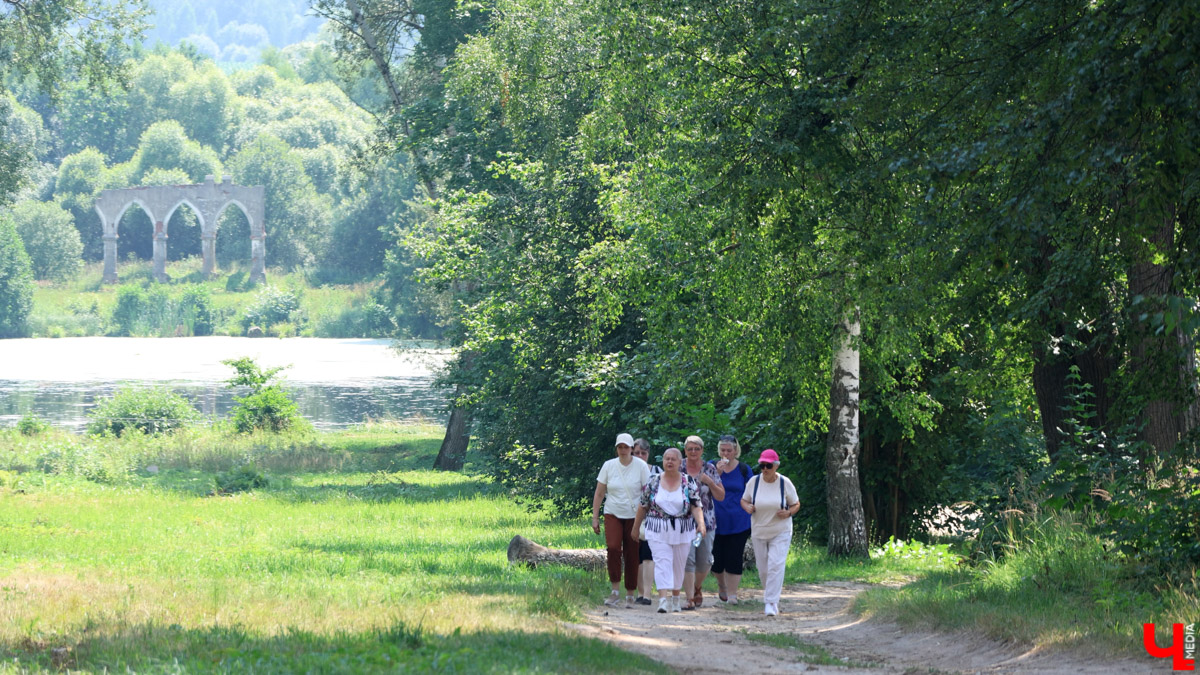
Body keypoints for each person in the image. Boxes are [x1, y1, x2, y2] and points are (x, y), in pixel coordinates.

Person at [632, 447, 706, 613]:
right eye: (667, 459)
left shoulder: (688, 482)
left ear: (680, 462)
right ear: (663, 461)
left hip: (683, 529)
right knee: (662, 562)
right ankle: (663, 600)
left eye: (673, 459)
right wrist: (635, 528)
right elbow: (643, 505)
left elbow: (696, 505)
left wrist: (701, 524)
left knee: (678, 565)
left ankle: (675, 598)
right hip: (657, 528)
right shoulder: (653, 481)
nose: (670, 462)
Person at [592, 432, 651, 608]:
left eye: (626, 447)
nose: (623, 450)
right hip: (613, 512)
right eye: (620, 447)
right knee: (613, 547)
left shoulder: (641, 466)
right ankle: (615, 590)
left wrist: (646, 516)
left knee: (632, 552)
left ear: (632, 448)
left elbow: (647, 493)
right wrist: (595, 517)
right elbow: (600, 492)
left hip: (634, 515)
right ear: (616, 448)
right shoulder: (608, 466)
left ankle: (631, 593)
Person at [740, 448, 799, 616]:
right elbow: (744, 500)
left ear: (776, 466)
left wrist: (788, 512)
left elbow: (796, 504)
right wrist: (748, 507)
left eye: (768, 466)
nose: (765, 469)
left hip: (781, 530)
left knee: (776, 565)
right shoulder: (754, 482)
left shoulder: (784, 483)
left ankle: (771, 602)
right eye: (762, 466)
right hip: (759, 531)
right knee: (763, 569)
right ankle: (770, 594)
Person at [681, 435, 724, 609]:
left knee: (705, 560)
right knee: (688, 559)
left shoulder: (710, 468)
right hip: (683, 521)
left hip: (707, 521)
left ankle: (697, 586)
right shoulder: (679, 466)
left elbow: (721, 496)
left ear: (702, 451)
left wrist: (710, 482)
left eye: (696, 449)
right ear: (685, 450)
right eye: (690, 449)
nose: (693, 452)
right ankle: (690, 597)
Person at [710, 434, 752, 604]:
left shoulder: (744, 469)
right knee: (717, 560)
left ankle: (733, 595)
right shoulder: (712, 466)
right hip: (715, 520)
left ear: (736, 451)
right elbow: (702, 489)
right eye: (723, 450)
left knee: (734, 557)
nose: (725, 454)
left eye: (729, 450)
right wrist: (717, 473)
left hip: (739, 521)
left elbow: (751, 492)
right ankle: (722, 586)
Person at [632, 438, 660, 605]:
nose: (640, 456)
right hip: (632, 517)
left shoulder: (657, 471)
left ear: (648, 454)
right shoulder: (628, 470)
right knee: (637, 556)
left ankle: (648, 594)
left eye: (643, 453)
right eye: (637, 453)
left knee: (649, 555)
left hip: (653, 519)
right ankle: (640, 592)